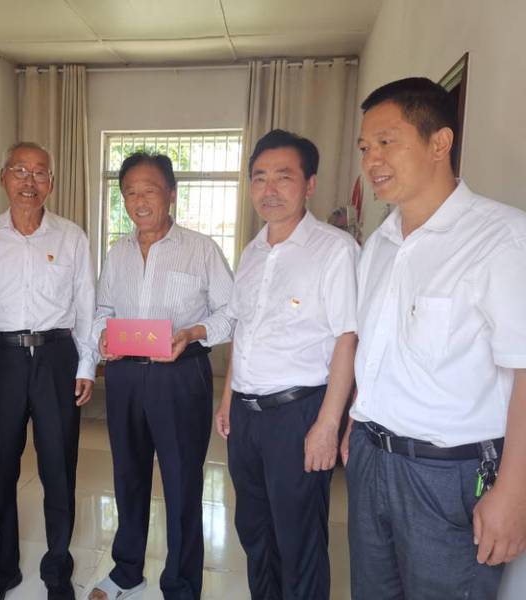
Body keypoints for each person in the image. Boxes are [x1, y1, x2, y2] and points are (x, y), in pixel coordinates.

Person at [343, 77, 526, 599]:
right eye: (364, 147)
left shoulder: (502, 238)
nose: (372, 160)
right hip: (371, 458)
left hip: (449, 476)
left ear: (439, 142)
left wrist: (515, 492)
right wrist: (355, 422)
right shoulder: (378, 246)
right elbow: (377, 351)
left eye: (386, 141)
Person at [214, 130, 358, 599]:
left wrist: (328, 425)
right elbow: (244, 329)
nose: (269, 189)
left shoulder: (335, 250)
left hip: (299, 415)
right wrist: (228, 397)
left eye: (283, 177)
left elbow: (347, 338)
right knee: (254, 532)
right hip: (246, 416)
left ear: (309, 184)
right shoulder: (252, 252)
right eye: (259, 178)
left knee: (300, 540)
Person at [0, 141, 97, 600]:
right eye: (20, 170)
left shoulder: (71, 237)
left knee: (59, 467)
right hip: (1, 359)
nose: (29, 181)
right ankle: (1, 573)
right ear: (3, 178)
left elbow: (87, 306)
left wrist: (87, 364)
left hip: (57, 357)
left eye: (39, 173)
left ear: (51, 182)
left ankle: (58, 571)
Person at [89, 152, 233, 600]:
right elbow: (102, 309)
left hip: (180, 377)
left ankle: (181, 584)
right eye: (130, 192)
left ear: (171, 194)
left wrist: (193, 333)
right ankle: (127, 572)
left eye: (149, 190)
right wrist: (101, 336)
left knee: (182, 482)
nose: (139, 201)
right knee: (128, 476)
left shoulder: (201, 249)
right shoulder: (118, 253)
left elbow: (232, 313)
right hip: (125, 378)